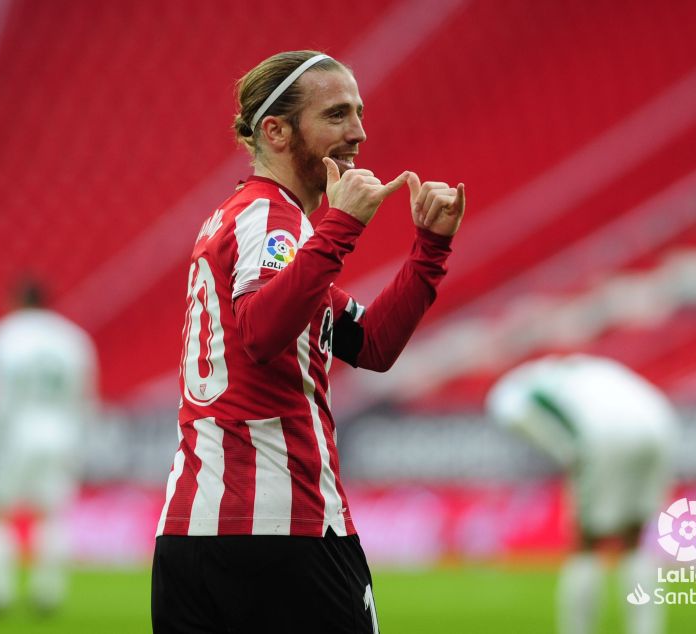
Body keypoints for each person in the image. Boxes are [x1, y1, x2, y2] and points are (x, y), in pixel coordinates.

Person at [151, 50, 465, 633]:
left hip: (194, 536)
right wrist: (341, 228)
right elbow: (260, 333)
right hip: (284, 532)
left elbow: (369, 343)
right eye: (337, 114)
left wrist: (430, 250)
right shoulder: (272, 219)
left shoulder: (251, 221)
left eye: (359, 113)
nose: (359, 132)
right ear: (276, 131)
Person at [486, 354, 679, 634]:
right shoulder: (582, 370)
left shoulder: (513, 394)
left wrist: (567, 453)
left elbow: (521, 419)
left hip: (605, 433)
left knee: (586, 543)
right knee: (634, 540)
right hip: (660, 424)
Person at [0, 278, 99, 614]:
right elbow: (86, 397)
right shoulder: (72, 339)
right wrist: (82, 440)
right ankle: (47, 595)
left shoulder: (4, 335)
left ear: (14, 301)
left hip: (14, 435)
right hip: (61, 434)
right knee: (52, 515)